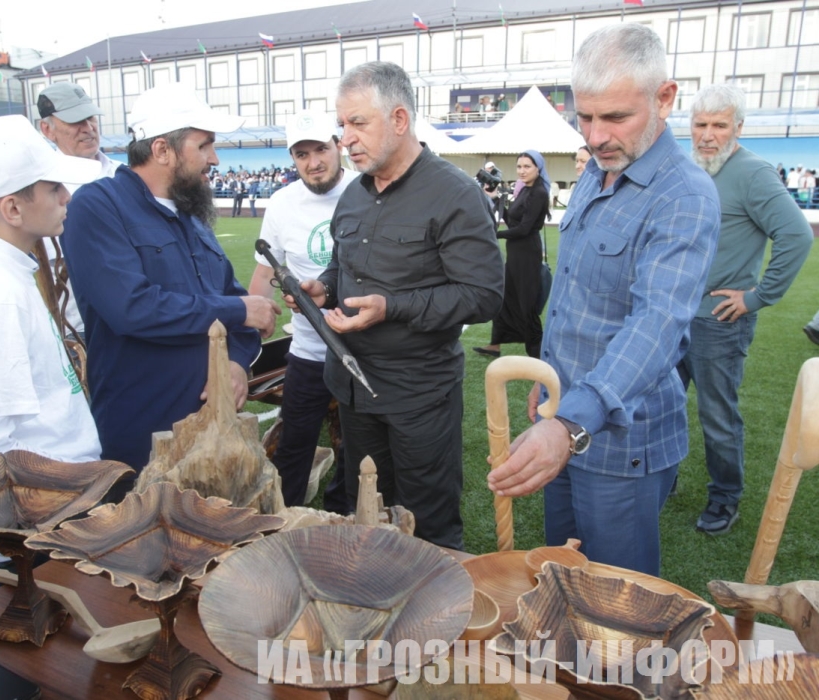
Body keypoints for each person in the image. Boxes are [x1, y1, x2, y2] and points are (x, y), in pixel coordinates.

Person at [487, 24, 721, 577]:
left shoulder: (684, 196)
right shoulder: (597, 173)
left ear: (665, 98)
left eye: (615, 117)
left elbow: (656, 326)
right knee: (561, 575)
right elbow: (574, 295)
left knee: (616, 600)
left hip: (623, 442)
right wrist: (554, 380)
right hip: (565, 412)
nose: (595, 136)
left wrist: (569, 423)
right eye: (585, 117)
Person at [294, 62, 503, 549]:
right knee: (367, 513)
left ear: (400, 119)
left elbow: (484, 294)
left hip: (418, 395)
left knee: (426, 525)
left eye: (357, 123)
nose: (345, 139)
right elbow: (343, 267)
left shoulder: (455, 194)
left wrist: (392, 307)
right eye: (342, 125)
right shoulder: (353, 195)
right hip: (353, 390)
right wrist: (324, 289)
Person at [60, 83, 281, 496]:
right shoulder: (96, 205)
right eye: (204, 145)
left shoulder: (190, 214)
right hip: (143, 434)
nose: (214, 159)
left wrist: (236, 365)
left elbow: (238, 307)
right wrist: (237, 312)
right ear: (162, 150)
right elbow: (131, 308)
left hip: (214, 433)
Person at [0, 115, 101, 558]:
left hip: (57, 507)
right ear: (12, 209)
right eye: (53, 188)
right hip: (44, 525)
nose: (66, 197)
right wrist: (35, 533)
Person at [679, 84, 812, 535]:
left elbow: (797, 235)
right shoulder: (688, 167)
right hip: (672, 315)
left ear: (738, 127)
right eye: (700, 124)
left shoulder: (753, 173)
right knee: (661, 404)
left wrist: (756, 297)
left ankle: (725, 498)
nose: (707, 135)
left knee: (717, 416)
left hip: (718, 321)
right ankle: (663, 477)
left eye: (719, 125)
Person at [248, 111, 359, 512]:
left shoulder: (364, 190)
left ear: (338, 146)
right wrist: (246, 336)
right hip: (308, 350)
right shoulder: (282, 203)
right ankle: (282, 522)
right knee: (293, 445)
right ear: (293, 158)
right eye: (302, 154)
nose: (313, 162)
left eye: (321, 150)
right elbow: (265, 271)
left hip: (362, 350)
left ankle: (341, 520)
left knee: (357, 450)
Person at [37, 82, 121, 339]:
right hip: (77, 327)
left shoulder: (125, 175)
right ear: (47, 129)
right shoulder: (40, 187)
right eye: (75, 121)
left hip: (134, 320)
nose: (88, 128)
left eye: (91, 118)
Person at [474, 151, 550, 360]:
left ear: (538, 169)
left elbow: (524, 229)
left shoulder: (539, 193)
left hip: (527, 254)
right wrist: (496, 198)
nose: (522, 171)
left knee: (526, 305)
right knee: (506, 299)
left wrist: (494, 234)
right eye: (519, 166)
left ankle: (537, 356)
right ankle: (495, 345)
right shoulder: (525, 190)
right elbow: (512, 221)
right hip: (516, 253)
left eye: (527, 166)